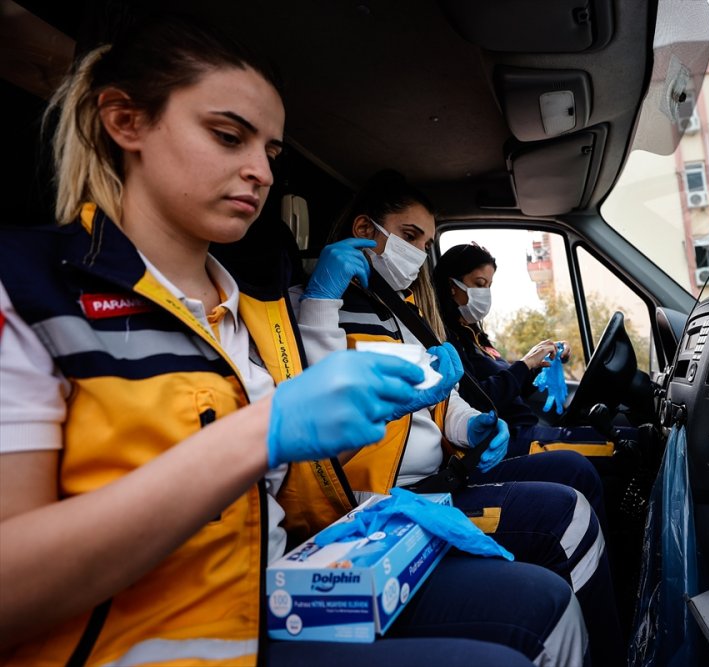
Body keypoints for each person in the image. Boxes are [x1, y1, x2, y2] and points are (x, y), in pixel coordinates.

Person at [0, 16, 587, 667]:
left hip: (276, 607)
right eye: (228, 137)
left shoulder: (240, 310)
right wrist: (262, 432)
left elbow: (278, 509)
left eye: (272, 155)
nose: (259, 173)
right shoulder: (26, 291)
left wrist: (448, 432)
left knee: (541, 605)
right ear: (126, 121)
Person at [286, 169, 626, 666]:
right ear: (363, 231)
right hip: (382, 505)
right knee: (567, 518)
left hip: (439, 480)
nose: (419, 254)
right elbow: (322, 407)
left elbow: (438, 406)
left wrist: (474, 426)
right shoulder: (311, 312)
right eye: (408, 237)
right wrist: (320, 304)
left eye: (426, 242)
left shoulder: (400, 317)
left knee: (571, 484)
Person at [433, 243, 635, 458]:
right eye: (479, 284)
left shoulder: (475, 336)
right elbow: (478, 401)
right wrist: (525, 363)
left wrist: (542, 361)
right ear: (451, 285)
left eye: (489, 286)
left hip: (528, 430)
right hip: (514, 439)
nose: (486, 294)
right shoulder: (447, 340)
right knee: (628, 445)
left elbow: (512, 389)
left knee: (633, 436)